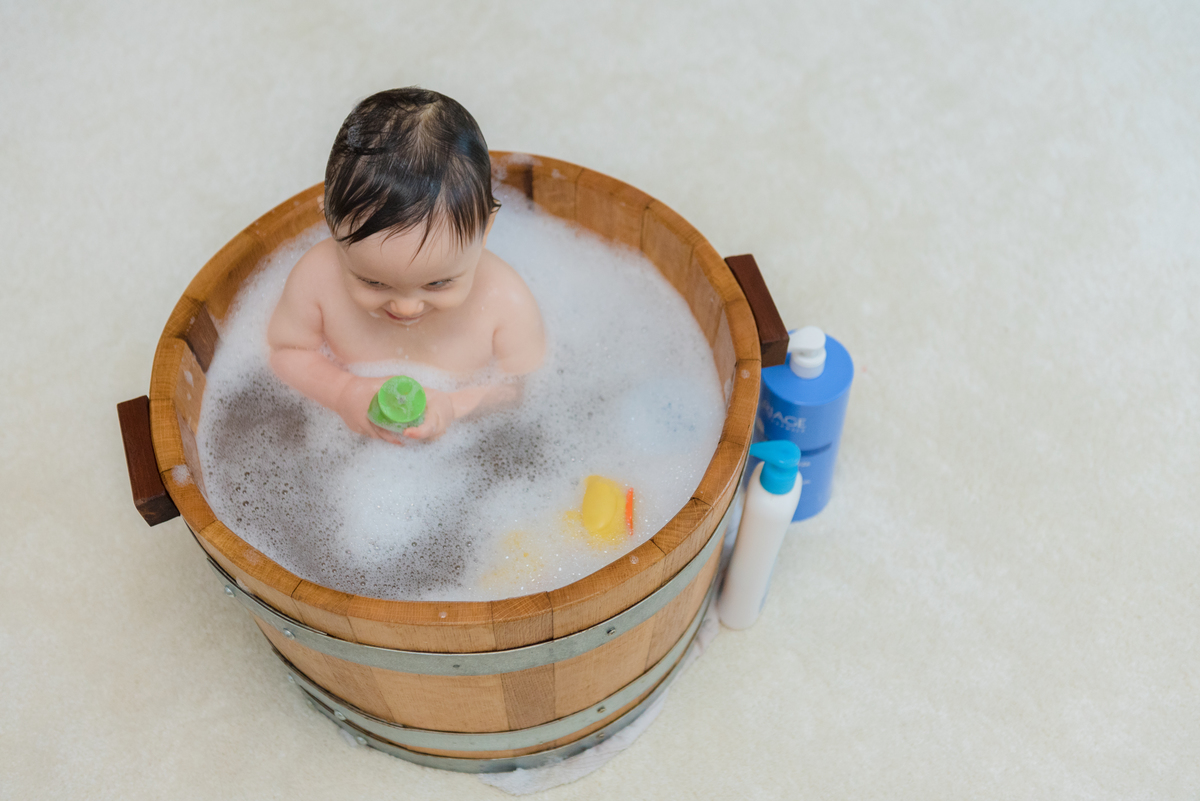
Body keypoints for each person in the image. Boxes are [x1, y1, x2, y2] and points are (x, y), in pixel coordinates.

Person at [267, 88, 545, 443]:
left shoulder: (506, 301)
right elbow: (287, 353)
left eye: (438, 283)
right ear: (331, 225)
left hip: (476, 447)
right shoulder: (317, 278)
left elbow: (520, 389)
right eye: (374, 282)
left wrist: (454, 407)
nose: (406, 306)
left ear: (485, 231)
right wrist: (342, 392)